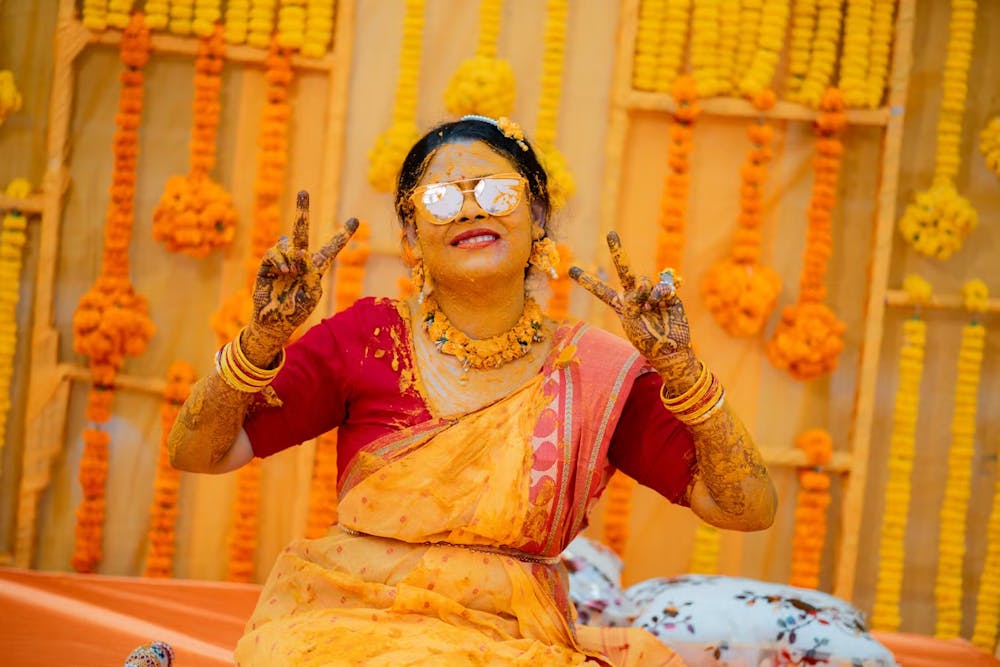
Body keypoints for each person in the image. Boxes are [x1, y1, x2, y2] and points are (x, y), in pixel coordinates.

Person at [169, 114, 776, 666]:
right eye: (438, 200)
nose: (467, 212)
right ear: (411, 235)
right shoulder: (368, 336)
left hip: (510, 639)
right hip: (344, 624)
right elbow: (199, 452)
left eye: (495, 191)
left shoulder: (593, 370)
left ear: (537, 214)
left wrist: (683, 372)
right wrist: (259, 341)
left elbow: (746, 508)